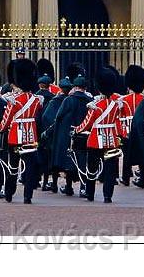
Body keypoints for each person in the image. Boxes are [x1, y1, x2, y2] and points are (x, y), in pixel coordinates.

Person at [0, 59, 43, 204]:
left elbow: (7, 120)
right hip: (31, 136)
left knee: (13, 167)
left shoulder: (14, 101)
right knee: (29, 168)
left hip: (15, 137)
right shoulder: (36, 100)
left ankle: (9, 193)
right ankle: (28, 196)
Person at [73, 68, 124, 203]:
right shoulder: (116, 105)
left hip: (96, 140)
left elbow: (87, 123)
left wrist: (76, 130)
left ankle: (90, 194)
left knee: (92, 169)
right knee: (110, 170)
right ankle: (108, 196)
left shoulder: (95, 105)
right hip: (111, 140)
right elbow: (117, 122)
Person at [50, 69, 93, 197]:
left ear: (75, 87)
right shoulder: (89, 100)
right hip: (84, 133)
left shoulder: (69, 100)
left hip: (70, 133)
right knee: (82, 160)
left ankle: (69, 187)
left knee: (70, 160)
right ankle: (83, 187)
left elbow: (59, 116)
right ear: (85, 88)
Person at [39, 76, 73, 193]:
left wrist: (46, 132)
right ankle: (68, 185)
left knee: (52, 159)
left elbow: (46, 117)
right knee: (68, 160)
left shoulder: (55, 101)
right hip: (69, 135)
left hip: (54, 135)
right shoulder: (71, 100)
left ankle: (51, 184)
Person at [119, 65, 144, 186]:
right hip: (141, 129)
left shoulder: (123, 99)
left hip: (127, 129)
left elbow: (121, 116)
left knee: (126, 155)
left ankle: (126, 178)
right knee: (142, 153)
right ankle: (142, 179)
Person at [35, 73, 56, 190]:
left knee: (37, 154)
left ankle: (37, 179)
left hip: (37, 129)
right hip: (48, 129)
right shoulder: (53, 97)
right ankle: (47, 181)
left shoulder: (35, 97)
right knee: (48, 155)